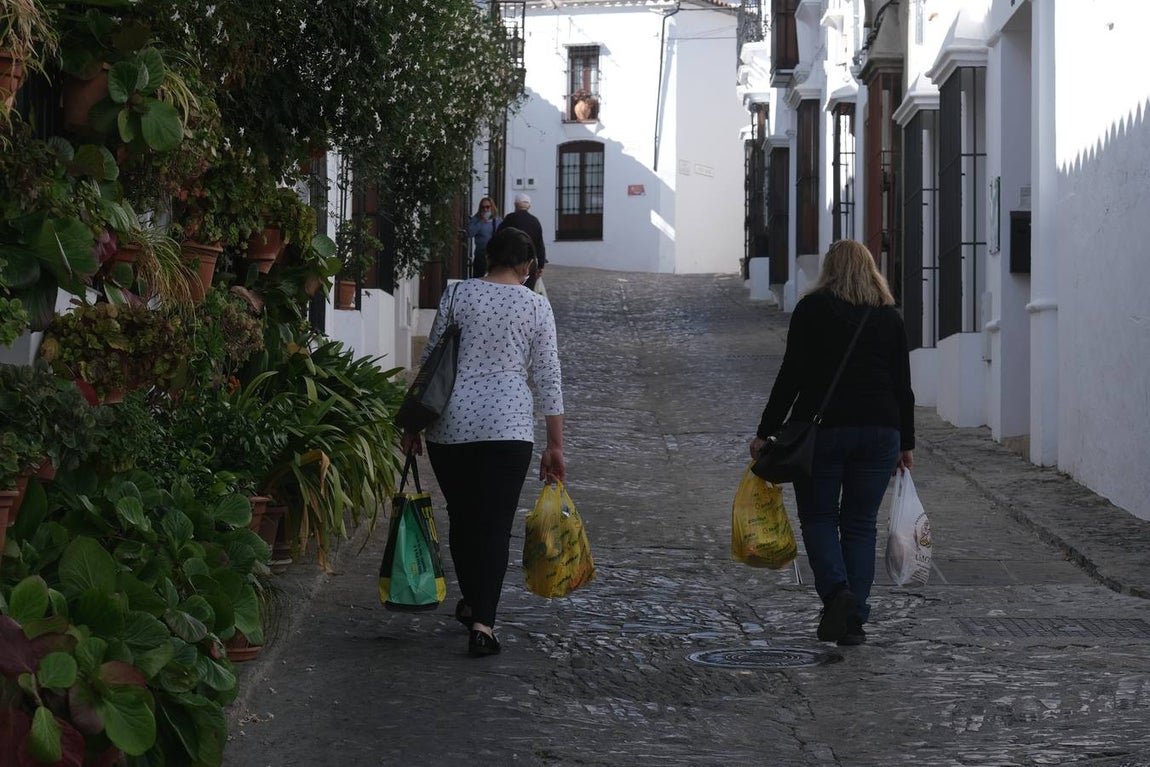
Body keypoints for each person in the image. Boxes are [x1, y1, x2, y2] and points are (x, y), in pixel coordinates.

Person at [402, 226, 565, 657]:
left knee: (462, 516)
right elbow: (549, 377)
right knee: (495, 526)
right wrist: (555, 445)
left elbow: (431, 360)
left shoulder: (457, 295)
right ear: (527, 266)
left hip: (451, 426)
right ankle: (483, 624)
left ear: (487, 258)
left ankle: (473, 597)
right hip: (508, 428)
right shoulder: (536, 307)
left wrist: (411, 426)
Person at [749, 239, 914, 647]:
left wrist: (766, 429)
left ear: (829, 269)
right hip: (880, 433)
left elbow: (791, 374)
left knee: (820, 518)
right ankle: (853, 619)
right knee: (860, 525)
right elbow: (903, 387)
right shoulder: (888, 317)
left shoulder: (812, 309)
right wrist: (906, 442)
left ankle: (837, 594)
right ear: (870, 269)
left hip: (822, 432)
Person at [497, 193, 547, 290]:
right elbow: (540, 245)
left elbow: (498, 238)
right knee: (527, 290)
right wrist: (541, 265)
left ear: (515, 205)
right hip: (529, 263)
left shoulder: (509, 218)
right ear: (529, 206)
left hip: (510, 261)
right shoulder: (535, 221)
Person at [466, 197, 502, 277]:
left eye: (487, 207)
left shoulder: (498, 220)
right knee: (479, 277)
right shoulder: (476, 219)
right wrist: (481, 222)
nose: (485, 209)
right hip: (481, 254)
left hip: (494, 255)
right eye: (483, 207)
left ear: (492, 207)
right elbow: (470, 233)